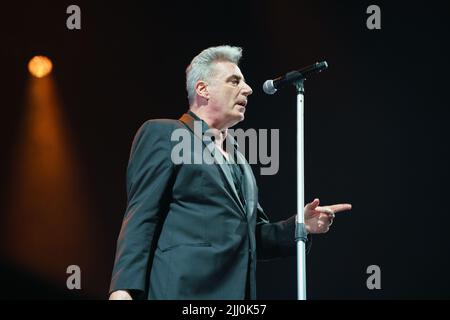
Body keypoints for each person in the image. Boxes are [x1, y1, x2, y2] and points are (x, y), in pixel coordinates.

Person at [108, 45, 351, 300]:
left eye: (244, 83)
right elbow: (141, 217)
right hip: (181, 291)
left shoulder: (240, 160)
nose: (247, 89)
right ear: (203, 89)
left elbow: (251, 234)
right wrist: (123, 290)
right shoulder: (165, 135)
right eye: (234, 81)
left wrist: (300, 226)